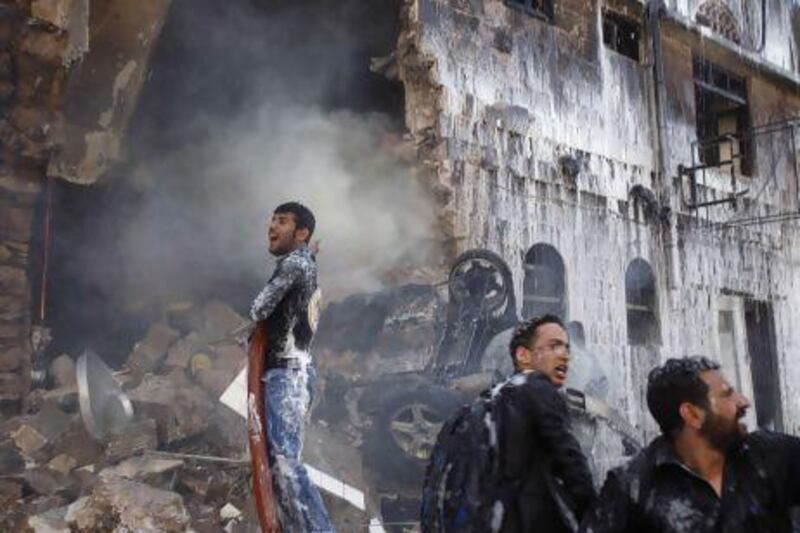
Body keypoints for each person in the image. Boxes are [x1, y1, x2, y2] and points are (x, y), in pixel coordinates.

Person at [581, 356, 800, 532]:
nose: (743, 401)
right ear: (692, 414)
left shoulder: (770, 456)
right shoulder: (633, 487)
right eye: (727, 394)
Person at [249, 201, 333, 532]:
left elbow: (259, 308)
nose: (272, 227)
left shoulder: (293, 265)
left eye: (282, 221)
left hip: (287, 375)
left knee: (285, 466)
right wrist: (309, 253)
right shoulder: (303, 262)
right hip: (295, 373)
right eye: (271, 220)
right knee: (282, 465)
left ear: (301, 232)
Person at [494, 314, 596, 531]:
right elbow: (570, 462)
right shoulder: (538, 388)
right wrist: (593, 517)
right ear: (523, 355)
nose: (565, 356)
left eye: (567, 348)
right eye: (554, 346)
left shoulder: (497, 397)